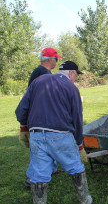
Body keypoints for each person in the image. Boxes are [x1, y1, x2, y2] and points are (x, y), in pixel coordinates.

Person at [15, 61, 92, 204]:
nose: (76, 79)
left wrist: (23, 128)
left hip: (36, 136)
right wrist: (79, 144)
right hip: (61, 135)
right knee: (75, 167)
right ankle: (85, 200)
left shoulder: (38, 81)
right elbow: (76, 118)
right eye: (76, 75)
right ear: (71, 73)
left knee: (39, 174)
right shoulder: (71, 87)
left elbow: (21, 109)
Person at [24, 47, 63, 188]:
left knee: (47, 144)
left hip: (40, 114)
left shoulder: (40, 72)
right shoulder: (44, 73)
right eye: (56, 59)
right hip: (40, 116)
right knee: (40, 147)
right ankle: (31, 178)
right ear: (50, 59)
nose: (56, 62)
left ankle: (51, 169)